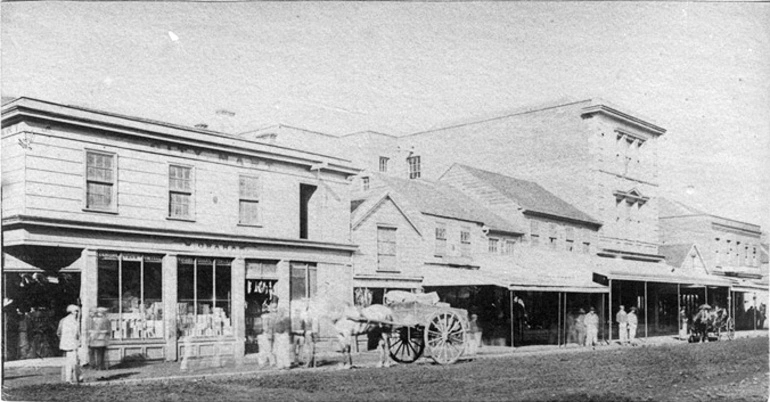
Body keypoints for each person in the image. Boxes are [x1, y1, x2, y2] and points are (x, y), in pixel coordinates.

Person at [57, 304, 82, 384]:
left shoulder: (64, 320)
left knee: (71, 361)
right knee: (73, 361)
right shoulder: (72, 321)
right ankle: (76, 378)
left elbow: (59, 333)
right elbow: (76, 333)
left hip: (68, 343)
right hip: (71, 343)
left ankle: (71, 378)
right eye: (75, 311)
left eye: (77, 311)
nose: (77, 313)